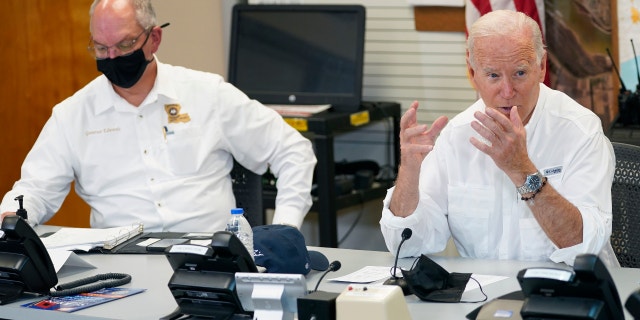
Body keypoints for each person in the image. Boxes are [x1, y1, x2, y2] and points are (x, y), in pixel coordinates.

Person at [0, 0, 316, 232]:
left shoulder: (206, 93)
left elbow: (293, 150)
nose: (112, 58)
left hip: (208, 258)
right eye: (100, 48)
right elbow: (35, 190)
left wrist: (285, 227)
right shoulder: (72, 115)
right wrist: (10, 217)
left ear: (153, 39)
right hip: (118, 267)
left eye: (124, 45)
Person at [380, 9, 618, 267]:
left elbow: (584, 246)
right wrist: (409, 172)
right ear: (473, 74)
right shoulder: (456, 135)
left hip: (570, 293)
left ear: (541, 67)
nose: (507, 92)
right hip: (484, 294)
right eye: (493, 75)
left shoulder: (580, 130)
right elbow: (406, 244)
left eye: (519, 73)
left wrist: (521, 170)